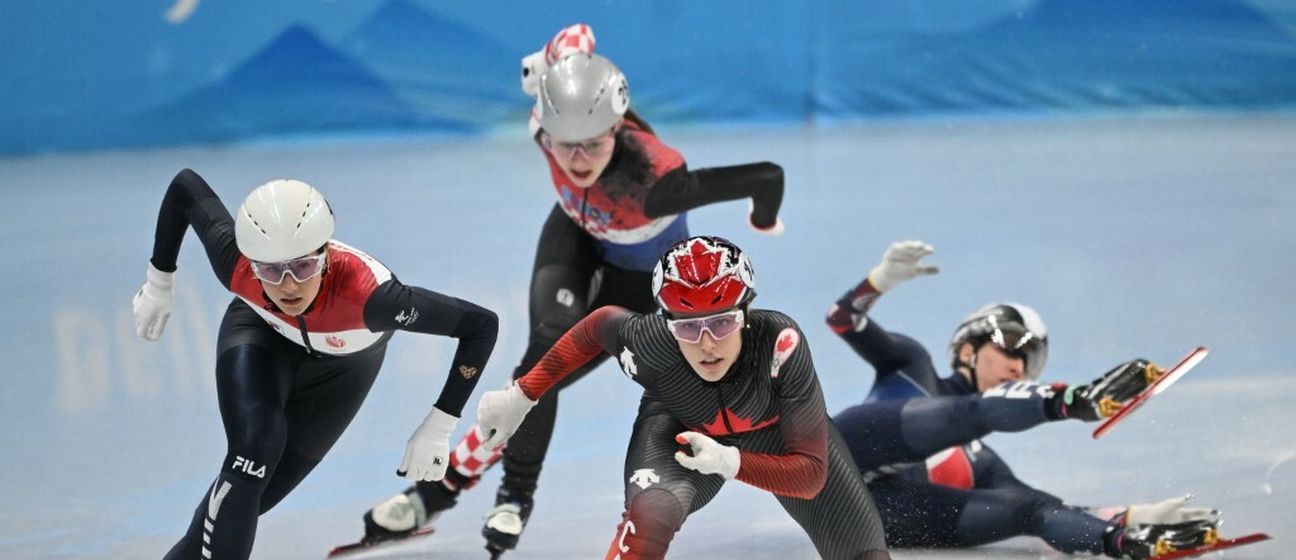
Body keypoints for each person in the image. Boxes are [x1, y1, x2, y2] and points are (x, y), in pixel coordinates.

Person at [360, 23, 786, 556]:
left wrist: (763, 219)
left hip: (639, 281)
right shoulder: (546, 109)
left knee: (545, 375)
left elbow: (767, 175)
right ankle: (490, 495)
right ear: (544, 127)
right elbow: (576, 37)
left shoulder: (658, 180)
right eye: (566, 147)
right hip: (574, 236)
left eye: (593, 145)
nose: (578, 160)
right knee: (541, 353)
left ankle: (449, 491)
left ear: (617, 128)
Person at [131, 169, 499, 560]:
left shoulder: (374, 298)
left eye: (303, 266)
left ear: (325, 256)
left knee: (248, 502)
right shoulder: (234, 261)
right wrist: (159, 280)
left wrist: (440, 424)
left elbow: (480, 326)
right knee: (256, 446)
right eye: (270, 270)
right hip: (260, 334)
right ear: (252, 263)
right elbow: (185, 185)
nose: (288, 285)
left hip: (345, 372)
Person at [475, 236, 890, 560]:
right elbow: (594, 328)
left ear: (747, 314)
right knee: (650, 517)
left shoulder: (780, 344)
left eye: (723, 323)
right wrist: (522, 394)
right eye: (689, 328)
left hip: (775, 435)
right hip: (680, 430)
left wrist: (728, 461)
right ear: (667, 324)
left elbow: (810, 475)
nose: (708, 344)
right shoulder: (649, 342)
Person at [823, 240, 1223, 558]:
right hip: (846, 454)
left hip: (879, 519)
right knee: (972, 414)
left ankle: (1126, 546)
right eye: (1013, 347)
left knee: (1028, 508)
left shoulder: (979, 458)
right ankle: (1077, 401)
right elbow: (842, 318)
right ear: (968, 350)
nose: (1020, 366)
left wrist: (1128, 521)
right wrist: (878, 281)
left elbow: (1042, 510)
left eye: (1031, 360)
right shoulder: (911, 365)